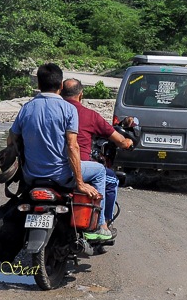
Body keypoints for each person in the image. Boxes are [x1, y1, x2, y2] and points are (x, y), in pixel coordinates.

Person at [7, 63, 113, 241]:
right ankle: (101, 225)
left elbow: (11, 141)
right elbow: (72, 147)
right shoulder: (68, 109)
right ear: (61, 85)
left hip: (31, 176)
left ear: (39, 85)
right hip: (61, 175)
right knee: (101, 171)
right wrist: (79, 182)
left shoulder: (26, 108)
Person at [61, 78, 132, 227]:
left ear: (61, 92)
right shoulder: (89, 115)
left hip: (46, 168)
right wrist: (128, 142)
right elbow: (120, 141)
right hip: (76, 168)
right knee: (110, 179)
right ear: (81, 95)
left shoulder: (53, 112)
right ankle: (103, 223)